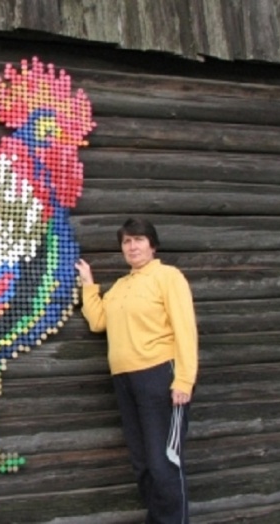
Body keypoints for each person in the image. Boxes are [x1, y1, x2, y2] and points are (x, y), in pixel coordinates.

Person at [75, 217, 198, 524]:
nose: (132, 246)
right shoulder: (120, 287)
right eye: (127, 242)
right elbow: (99, 321)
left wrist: (184, 379)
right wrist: (88, 285)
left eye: (139, 240)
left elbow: (185, 329)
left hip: (159, 376)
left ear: (152, 245)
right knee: (142, 465)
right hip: (125, 380)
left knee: (163, 463)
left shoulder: (168, 277)